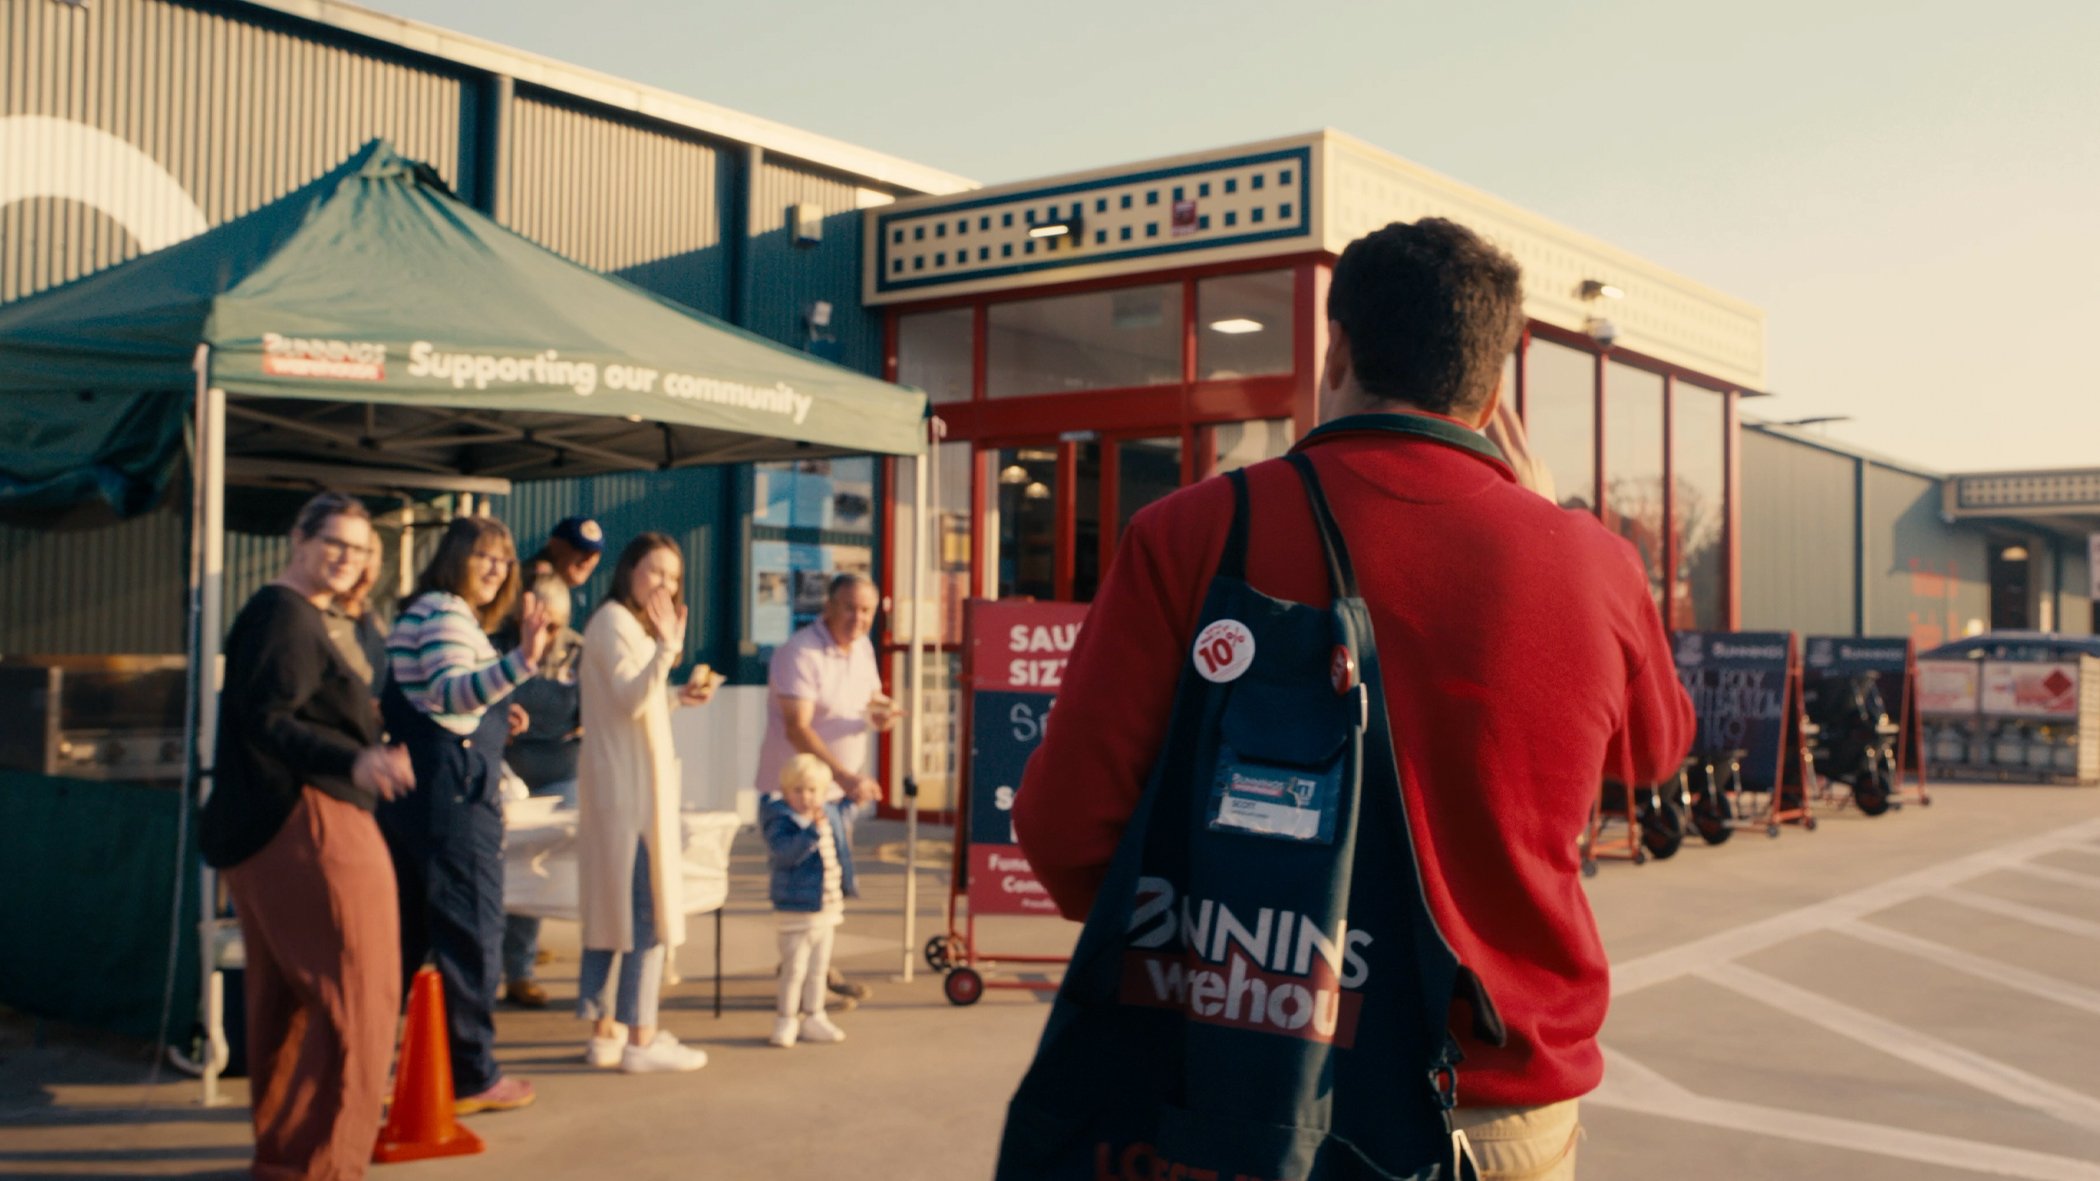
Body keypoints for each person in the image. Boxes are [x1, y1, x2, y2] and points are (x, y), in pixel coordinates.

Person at [1008, 219, 1696, 1181]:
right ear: (1491, 393)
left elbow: (1067, 836)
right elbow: (1655, 751)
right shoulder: (1591, 563)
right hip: (1492, 1098)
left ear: (1336, 350)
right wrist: (1544, 522)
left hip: (1236, 1097)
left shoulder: (1192, 532)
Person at [199, 492, 414, 1180]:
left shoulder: (290, 615)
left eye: (359, 548)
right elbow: (269, 719)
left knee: (289, 1002)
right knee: (359, 997)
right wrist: (353, 759)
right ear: (299, 537)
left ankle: (289, 1157)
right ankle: (324, 1163)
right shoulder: (285, 616)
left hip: (281, 825)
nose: (348, 558)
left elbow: (279, 711)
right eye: (335, 543)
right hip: (308, 823)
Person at [379, 515, 553, 1115]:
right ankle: (472, 1076)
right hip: (453, 796)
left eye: (505, 560)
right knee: (472, 930)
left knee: (408, 937)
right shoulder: (447, 613)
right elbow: (451, 693)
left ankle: (373, 1063)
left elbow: (445, 696)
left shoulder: (424, 611)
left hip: (420, 794)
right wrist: (522, 663)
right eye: (484, 556)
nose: (496, 570)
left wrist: (500, 710)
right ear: (455, 556)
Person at [574, 532, 717, 1073]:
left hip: (623, 792)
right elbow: (632, 699)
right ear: (629, 570)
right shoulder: (614, 623)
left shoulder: (621, 625)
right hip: (628, 799)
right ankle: (641, 1036)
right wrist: (668, 650)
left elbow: (631, 706)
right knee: (644, 914)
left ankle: (606, 1031)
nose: (666, 585)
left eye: (674, 577)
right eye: (655, 571)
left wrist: (677, 695)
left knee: (612, 913)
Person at [752, 571, 899, 1004]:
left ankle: (806, 972)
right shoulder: (800, 652)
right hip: (795, 796)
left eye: (867, 610)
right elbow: (798, 728)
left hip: (836, 795)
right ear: (829, 607)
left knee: (828, 888)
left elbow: (869, 702)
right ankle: (806, 984)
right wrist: (846, 777)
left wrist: (883, 714)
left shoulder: (863, 648)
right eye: (849, 608)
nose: (858, 618)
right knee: (802, 890)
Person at [498, 570, 586, 1009]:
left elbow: (596, 709)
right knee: (496, 870)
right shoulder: (499, 647)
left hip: (560, 777)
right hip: (505, 776)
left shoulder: (580, 653)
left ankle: (520, 971)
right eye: (533, 622)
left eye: (553, 626)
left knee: (536, 873)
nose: (543, 634)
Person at [760, 754, 867, 1048]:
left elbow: (845, 813)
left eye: (812, 790)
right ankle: (786, 1019)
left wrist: (857, 797)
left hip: (827, 908)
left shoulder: (828, 814)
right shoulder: (781, 820)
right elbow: (785, 854)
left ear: (823, 793)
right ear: (785, 791)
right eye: (798, 790)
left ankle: (814, 1016)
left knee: (819, 968)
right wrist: (810, 832)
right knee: (794, 970)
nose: (806, 797)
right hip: (795, 910)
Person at [526, 515, 604, 595]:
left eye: (595, 553)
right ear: (556, 545)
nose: (589, 558)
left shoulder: (569, 590)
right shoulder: (530, 585)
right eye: (582, 549)